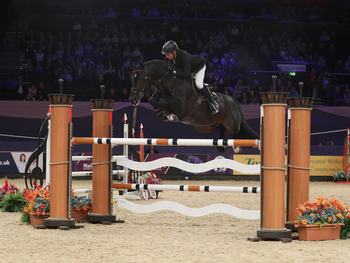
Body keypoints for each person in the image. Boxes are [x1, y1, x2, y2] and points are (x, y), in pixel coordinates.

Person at [161, 40, 219, 114]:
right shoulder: (168, 58)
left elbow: (186, 75)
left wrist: (174, 72)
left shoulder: (184, 56)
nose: (166, 56)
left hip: (198, 67)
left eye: (168, 54)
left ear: (174, 52)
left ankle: (213, 103)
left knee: (198, 84)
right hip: (187, 69)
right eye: (165, 54)